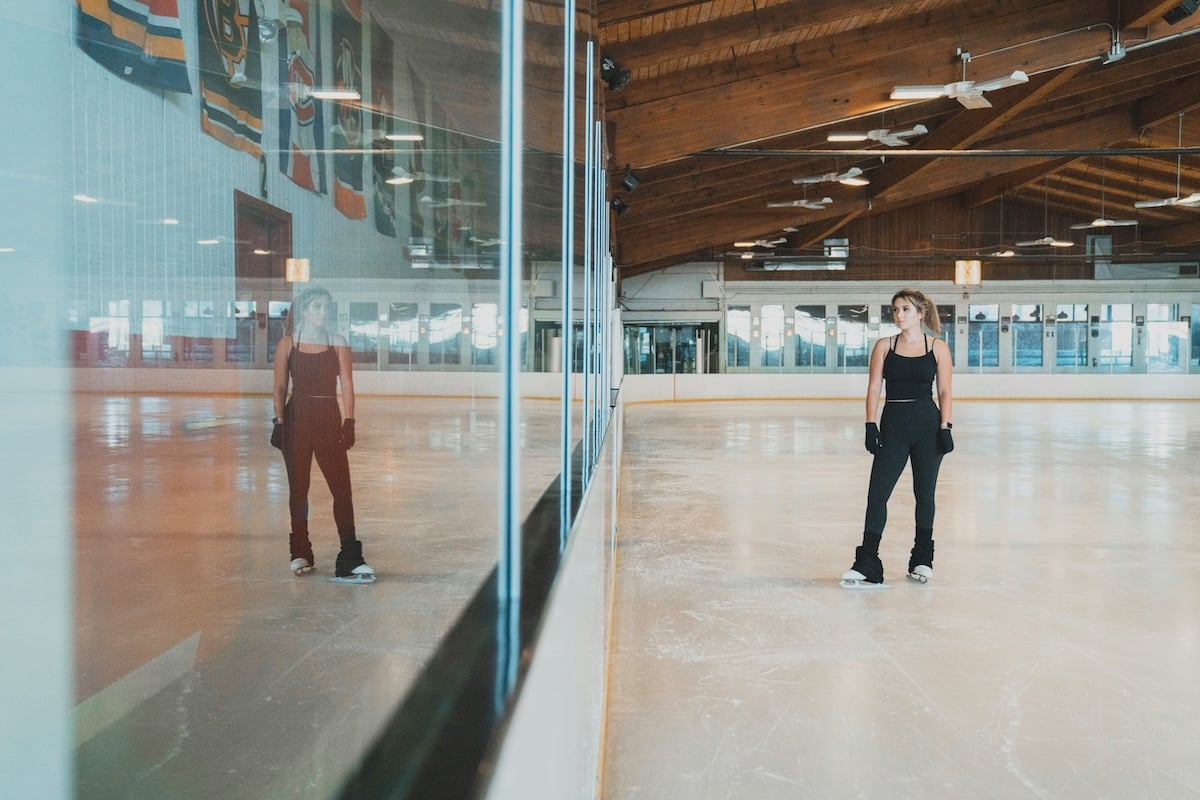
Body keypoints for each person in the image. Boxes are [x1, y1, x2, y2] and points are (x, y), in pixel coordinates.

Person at [841, 288, 954, 589]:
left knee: (924, 494)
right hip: (893, 425)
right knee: (877, 494)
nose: (899, 315)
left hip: (927, 427)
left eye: (905, 309)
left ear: (920, 313)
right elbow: (874, 387)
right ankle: (867, 563)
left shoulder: (937, 347)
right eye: (895, 310)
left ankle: (922, 559)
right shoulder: (883, 346)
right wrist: (869, 423)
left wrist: (946, 425)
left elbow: (944, 391)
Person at [271, 286, 375, 584]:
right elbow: (279, 387)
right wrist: (279, 421)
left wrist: (350, 421)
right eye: (317, 307)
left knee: (341, 489)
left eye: (326, 307)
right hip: (297, 420)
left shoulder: (338, 343)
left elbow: (348, 386)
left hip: (329, 418)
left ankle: (350, 557)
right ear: (304, 310)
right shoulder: (287, 344)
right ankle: (300, 551)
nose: (323, 312)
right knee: (298, 489)